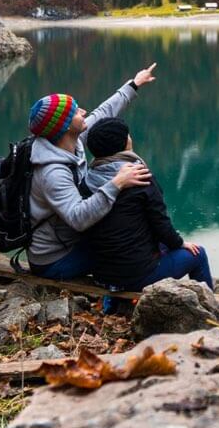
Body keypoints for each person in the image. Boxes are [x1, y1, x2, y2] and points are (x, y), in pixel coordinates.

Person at [24, 64, 157, 280]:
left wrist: (134, 84)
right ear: (65, 125)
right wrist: (117, 183)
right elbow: (78, 218)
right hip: (55, 259)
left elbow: (103, 112)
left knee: (131, 238)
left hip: (70, 240)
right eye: (76, 111)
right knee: (130, 248)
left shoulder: (69, 142)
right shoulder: (52, 172)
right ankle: (119, 298)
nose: (83, 112)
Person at [82, 117, 212, 290]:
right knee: (198, 254)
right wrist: (180, 244)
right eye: (127, 135)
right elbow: (160, 224)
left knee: (159, 242)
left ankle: (112, 303)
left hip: (102, 274)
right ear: (123, 143)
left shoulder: (88, 179)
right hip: (136, 276)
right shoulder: (140, 178)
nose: (130, 137)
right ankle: (211, 311)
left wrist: (173, 241)